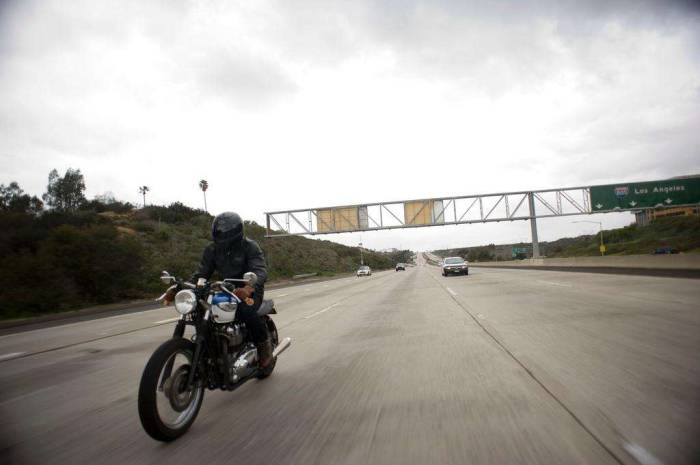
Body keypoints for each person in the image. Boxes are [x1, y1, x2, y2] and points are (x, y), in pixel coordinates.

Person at [191, 212, 272, 367]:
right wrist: (183, 286)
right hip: (226, 289)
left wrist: (249, 287)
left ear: (236, 233)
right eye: (219, 232)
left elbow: (260, 270)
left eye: (225, 233)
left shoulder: (250, 246)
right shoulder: (212, 249)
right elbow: (201, 273)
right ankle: (211, 349)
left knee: (246, 310)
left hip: (249, 289)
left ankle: (265, 348)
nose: (222, 235)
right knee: (200, 312)